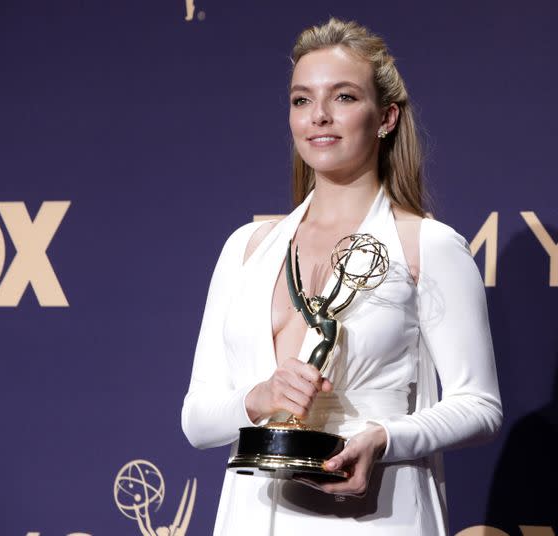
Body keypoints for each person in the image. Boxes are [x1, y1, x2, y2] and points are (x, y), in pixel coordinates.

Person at [181, 17, 502, 535]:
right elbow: (197, 421)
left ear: (386, 117)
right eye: (301, 100)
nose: (319, 117)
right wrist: (258, 398)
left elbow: (479, 405)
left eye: (345, 97)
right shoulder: (246, 248)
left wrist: (385, 439)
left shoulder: (427, 245)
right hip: (250, 514)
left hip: (375, 514)